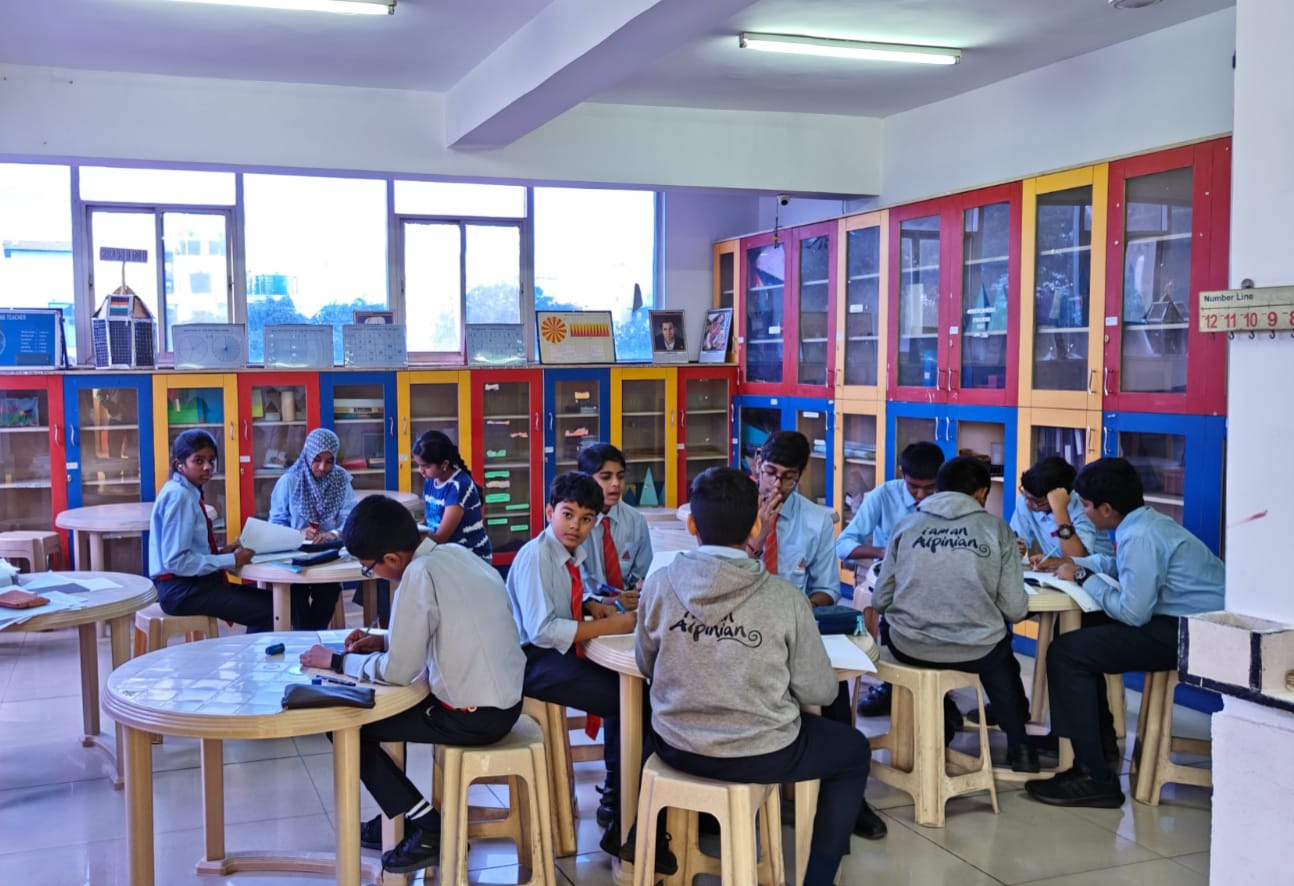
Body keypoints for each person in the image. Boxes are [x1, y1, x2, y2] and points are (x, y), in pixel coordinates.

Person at [636, 467, 883, 885]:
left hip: (676, 744)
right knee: (853, 750)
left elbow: (646, 665)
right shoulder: (784, 598)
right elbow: (819, 690)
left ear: (692, 524)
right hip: (763, 751)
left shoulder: (659, 585)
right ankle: (819, 878)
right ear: (756, 525)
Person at [298, 495, 525, 875]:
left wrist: (336, 660)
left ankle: (428, 826)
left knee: (346, 728)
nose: (370, 573)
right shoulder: (455, 554)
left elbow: (399, 672)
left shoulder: (418, 576)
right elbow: (445, 628)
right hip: (504, 702)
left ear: (392, 560)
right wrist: (385, 638)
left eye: (367, 568)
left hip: (473, 715)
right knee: (377, 719)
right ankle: (399, 817)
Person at [1025, 457, 1225, 808]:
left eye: (1085, 506)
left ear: (1105, 508)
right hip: (1183, 624)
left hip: (1197, 635)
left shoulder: (1141, 536)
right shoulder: (1141, 524)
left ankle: (1096, 778)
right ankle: (1094, 745)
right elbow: (1118, 568)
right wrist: (1075, 565)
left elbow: (1133, 613)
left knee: (1068, 653)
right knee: (1084, 629)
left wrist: (1083, 578)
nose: (1083, 512)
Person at [504, 472, 642, 857]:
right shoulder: (536, 556)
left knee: (629, 686)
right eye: (567, 515)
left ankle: (621, 794)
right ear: (549, 511)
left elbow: (559, 602)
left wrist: (589, 606)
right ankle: (625, 815)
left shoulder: (568, 557)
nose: (575, 526)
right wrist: (613, 623)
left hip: (552, 654)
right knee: (627, 697)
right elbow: (542, 628)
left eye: (585, 519)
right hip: (532, 662)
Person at [872, 456, 1037, 771]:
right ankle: (1020, 747)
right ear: (981, 494)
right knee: (1001, 655)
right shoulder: (997, 530)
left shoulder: (906, 525)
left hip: (910, 648)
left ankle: (927, 724)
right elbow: (1015, 610)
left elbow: (880, 600)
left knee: (889, 623)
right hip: (978, 651)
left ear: (939, 489)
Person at [834, 440, 945, 717]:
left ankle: (937, 688)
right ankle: (891, 685)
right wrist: (885, 550)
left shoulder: (950, 499)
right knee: (896, 621)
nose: (921, 495)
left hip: (938, 582)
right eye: (913, 487)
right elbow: (844, 544)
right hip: (894, 584)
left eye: (930, 488)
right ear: (901, 474)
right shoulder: (883, 495)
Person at [148, 429, 270, 632]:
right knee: (271, 608)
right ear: (179, 464)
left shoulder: (184, 490)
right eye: (198, 461)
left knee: (269, 602)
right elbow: (176, 561)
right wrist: (232, 560)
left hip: (191, 585)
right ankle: (262, 660)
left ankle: (260, 655)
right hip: (182, 591)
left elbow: (186, 550)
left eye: (211, 460)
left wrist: (221, 552)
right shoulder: (179, 496)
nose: (207, 467)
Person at [268, 427, 355, 629]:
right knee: (296, 595)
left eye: (329, 461)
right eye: (317, 459)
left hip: (327, 554)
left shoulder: (341, 479)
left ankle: (312, 636)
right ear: (307, 455)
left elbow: (350, 517)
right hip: (294, 555)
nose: (323, 467)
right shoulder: (290, 481)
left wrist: (333, 534)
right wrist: (298, 534)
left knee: (329, 592)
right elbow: (275, 524)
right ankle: (308, 638)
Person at [744, 431, 838, 607]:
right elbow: (723, 575)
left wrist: (801, 610)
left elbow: (828, 590)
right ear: (758, 465)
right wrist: (757, 540)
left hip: (791, 618)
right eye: (770, 473)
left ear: (801, 475)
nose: (777, 485)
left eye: (788, 477)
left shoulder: (817, 521)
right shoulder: (734, 508)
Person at [577, 442, 653, 601]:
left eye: (620, 476)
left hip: (627, 606)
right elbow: (568, 586)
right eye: (606, 477)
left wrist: (641, 586)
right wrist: (605, 602)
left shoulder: (636, 522)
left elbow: (643, 574)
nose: (616, 484)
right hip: (585, 610)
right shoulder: (573, 524)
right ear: (585, 480)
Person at [1010, 455, 1113, 565]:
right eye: (1024, 494)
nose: (1028, 503)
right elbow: (1013, 543)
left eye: (1036, 502)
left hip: (1099, 574)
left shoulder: (1084, 507)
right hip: (1061, 574)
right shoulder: (1025, 501)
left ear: (1057, 497)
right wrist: (1015, 548)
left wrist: (1059, 510)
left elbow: (1078, 558)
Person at [412, 430, 492, 561]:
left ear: (444, 465)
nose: (420, 470)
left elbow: (441, 537)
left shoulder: (459, 485)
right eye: (418, 465)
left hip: (471, 558)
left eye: (425, 466)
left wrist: (410, 542)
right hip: (446, 553)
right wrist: (414, 529)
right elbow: (430, 520)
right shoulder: (431, 481)